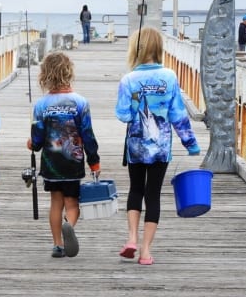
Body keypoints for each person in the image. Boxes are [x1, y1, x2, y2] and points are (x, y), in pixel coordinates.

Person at [115, 27, 200, 265]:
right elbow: (178, 114)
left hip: (136, 147)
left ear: (136, 49)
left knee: (135, 191)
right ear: (159, 48)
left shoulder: (128, 79)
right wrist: (190, 143)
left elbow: (123, 115)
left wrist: (134, 101)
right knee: (153, 196)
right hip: (161, 148)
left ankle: (131, 238)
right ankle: (145, 252)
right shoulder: (170, 77)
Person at [26, 51, 100, 258]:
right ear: (69, 72)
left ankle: (58, 244)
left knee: (55, 203)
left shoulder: (41, 105)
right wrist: (94, 162)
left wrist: (32, 144)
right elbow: (88, 135)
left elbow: (37, 139)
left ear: (45, 75)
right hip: (73, 162)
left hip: (51, 164)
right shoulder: (80, 102)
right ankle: (70, 225)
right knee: (72, 203)